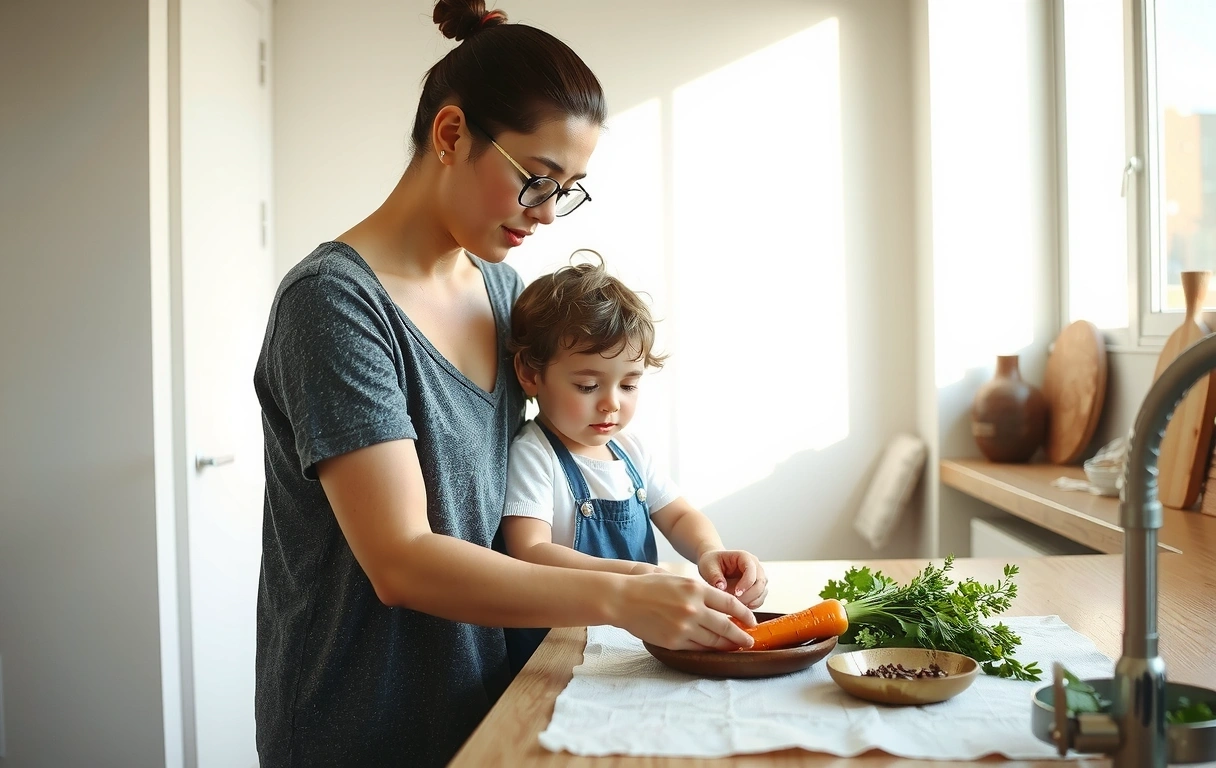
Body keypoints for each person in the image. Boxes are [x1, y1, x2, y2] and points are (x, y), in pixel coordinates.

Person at [251, 3, 758, 767]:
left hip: (483, 698)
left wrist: (664, 570)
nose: (549, 213)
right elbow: (403, 559)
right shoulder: (333, 304)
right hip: (359, 725)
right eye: (537, 180)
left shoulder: (499, 291)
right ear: (451, 135)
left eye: (571, 188)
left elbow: (530, 490)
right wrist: (625, 597)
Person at [499, 255, 769, 671]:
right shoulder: (534, 454)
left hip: (632, 642)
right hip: (558, 651)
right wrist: (634, 576)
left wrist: (711, 551)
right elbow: (529, 552)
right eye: (587, 385)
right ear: (531, 374)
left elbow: (678, 515)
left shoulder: (631, 451)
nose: (611, 403)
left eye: (629, 384)